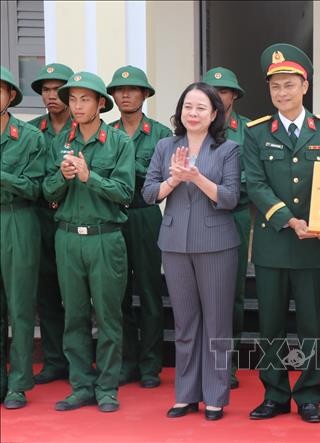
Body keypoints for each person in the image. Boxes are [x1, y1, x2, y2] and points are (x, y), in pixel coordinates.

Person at [244, 43, 320, 424]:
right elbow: (254, 183)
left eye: (289, 85)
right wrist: (288, 219)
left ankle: (308, 395)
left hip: (314, 246)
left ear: (305, 85)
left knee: (310, 326)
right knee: (269, 325)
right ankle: (274, 394)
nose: (282, 93)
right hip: (273, 242)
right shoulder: (255, 133)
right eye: (275, 87)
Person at [142, 82, 240, 421]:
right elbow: (148, 192)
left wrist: (196, 177)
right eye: (188, 107)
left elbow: (229, 198)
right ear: (180, 112)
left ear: (214, 114)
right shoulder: (165, 145)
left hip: (216, 244)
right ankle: (185, 394)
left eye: (200, 108)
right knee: (185, 323)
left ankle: (215, 396)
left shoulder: (227, 149)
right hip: (174, 244)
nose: (193, 113)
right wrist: (172, 181)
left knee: (216, 323)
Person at [43, 71, 135, 413]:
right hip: (67, 237)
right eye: (73, 99)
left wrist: (88, 176)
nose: (77, 105)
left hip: (105, 239)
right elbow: (47, 194)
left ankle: (107, 387)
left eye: (85, 99)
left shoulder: (119, 143)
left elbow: (126, 194)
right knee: (75, 316)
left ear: (100, 104)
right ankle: (81, 385)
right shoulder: (60, 143)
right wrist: (62, 179)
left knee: (109, 317)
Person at [107, 65, 172, 389]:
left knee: (148, 292)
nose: (126, 94)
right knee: (117, 295)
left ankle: (150, 364)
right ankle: (125, 361)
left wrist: (125, 166)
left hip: (146, 215)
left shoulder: (161, 134)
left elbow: (160, 177)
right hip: (113, 217)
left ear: (145, 94)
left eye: (133, 89)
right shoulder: (106, 132)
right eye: (120, 89)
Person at [0, 66, 46, 409]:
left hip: (17, 219)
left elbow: (35, 187)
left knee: (19, 305)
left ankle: (18, 382)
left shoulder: (29, 137)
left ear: (11, 96)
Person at [202, 66, 251, 389]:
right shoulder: (193, 127)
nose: (219, 98)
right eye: (212, 92)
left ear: (233, 96)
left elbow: (253, 177)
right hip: (198, 217)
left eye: (224, 92)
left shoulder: (250, 130)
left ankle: (226, 361)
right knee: (198, 292)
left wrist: (219, 190)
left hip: (235, 215)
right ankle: (201, 361)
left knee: (230, 293)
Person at [27, 62, 75, 386]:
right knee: (46, 292)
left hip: (72, 217)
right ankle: (55, 359)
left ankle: (78, 361)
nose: (51, 95)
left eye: (57, 89)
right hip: (41, 216)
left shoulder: (84, 126)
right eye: (45, 89)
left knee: (76, 296)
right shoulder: (32, 130)